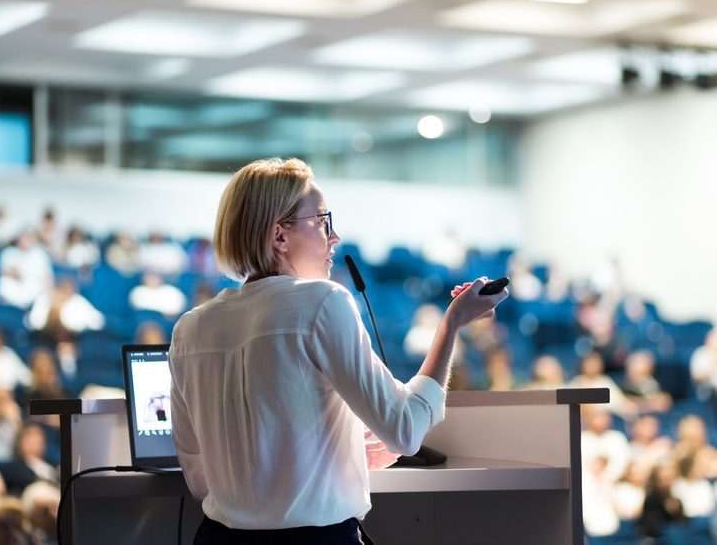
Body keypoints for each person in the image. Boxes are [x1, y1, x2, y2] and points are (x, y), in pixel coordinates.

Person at [169, 158, 507, 544]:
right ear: (280, 236)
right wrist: (451, 325)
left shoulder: (189, 329)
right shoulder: (321, 302)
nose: (335, 236)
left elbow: (200, 477)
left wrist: (341, 454)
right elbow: (404, 430)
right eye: (323, 221)